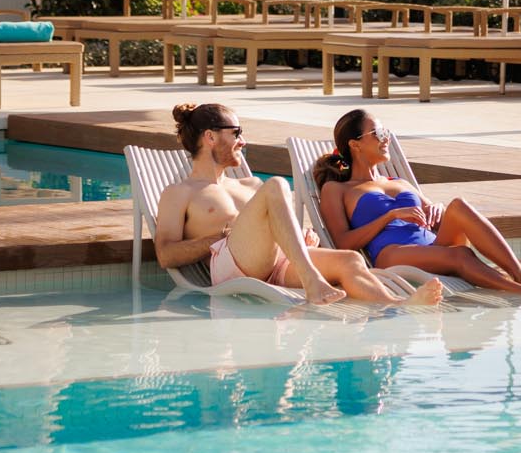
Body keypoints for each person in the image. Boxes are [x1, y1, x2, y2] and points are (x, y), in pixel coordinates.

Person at [154, 102, 443, 307]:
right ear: (210, 137)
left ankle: (398, 305)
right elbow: (165, 255)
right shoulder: (180, 192)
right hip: (232, 267)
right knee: (276, 184)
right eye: (237, 132)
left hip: (278, 263)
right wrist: (218, 237)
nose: (243, 141)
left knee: (350, 260)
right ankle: (311, 279)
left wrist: (302, 237)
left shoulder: (250, 185)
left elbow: (275, 228)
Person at [313, 110, 521, 297]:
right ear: (355, 144)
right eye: (378, 133)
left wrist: (438, 210)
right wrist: (390, 216)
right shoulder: (337, 189)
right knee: (460, 254)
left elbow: (433, 218)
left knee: (458, 206)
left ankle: (520, 274)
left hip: (431, 244)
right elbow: (342, 243)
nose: (385, 138)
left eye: (386, 132)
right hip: (391, 253)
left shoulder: (399, 182)